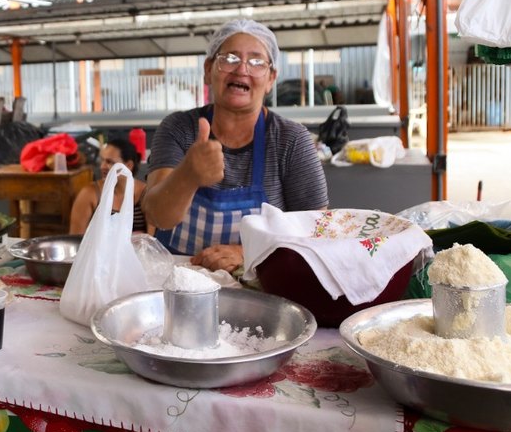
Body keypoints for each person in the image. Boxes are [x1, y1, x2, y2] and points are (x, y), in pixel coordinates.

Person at [142, 19, 327, 273]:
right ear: (208, 70)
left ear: (271, 78)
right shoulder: (179, 128)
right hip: (178, 282)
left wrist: (248, 253)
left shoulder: (291, 140)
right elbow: (157, 216)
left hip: (259, 284)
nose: (242, 69)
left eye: (256, 62)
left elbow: (318, 230)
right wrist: (188, 175)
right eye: (229, 58)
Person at [69, 138, 155, 236]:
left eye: (110, 162)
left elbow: (151, 240)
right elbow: (75, 239)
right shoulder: (89, 194)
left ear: (128, 165)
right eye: (102, 160)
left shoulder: (145, 194)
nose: (102, 166)